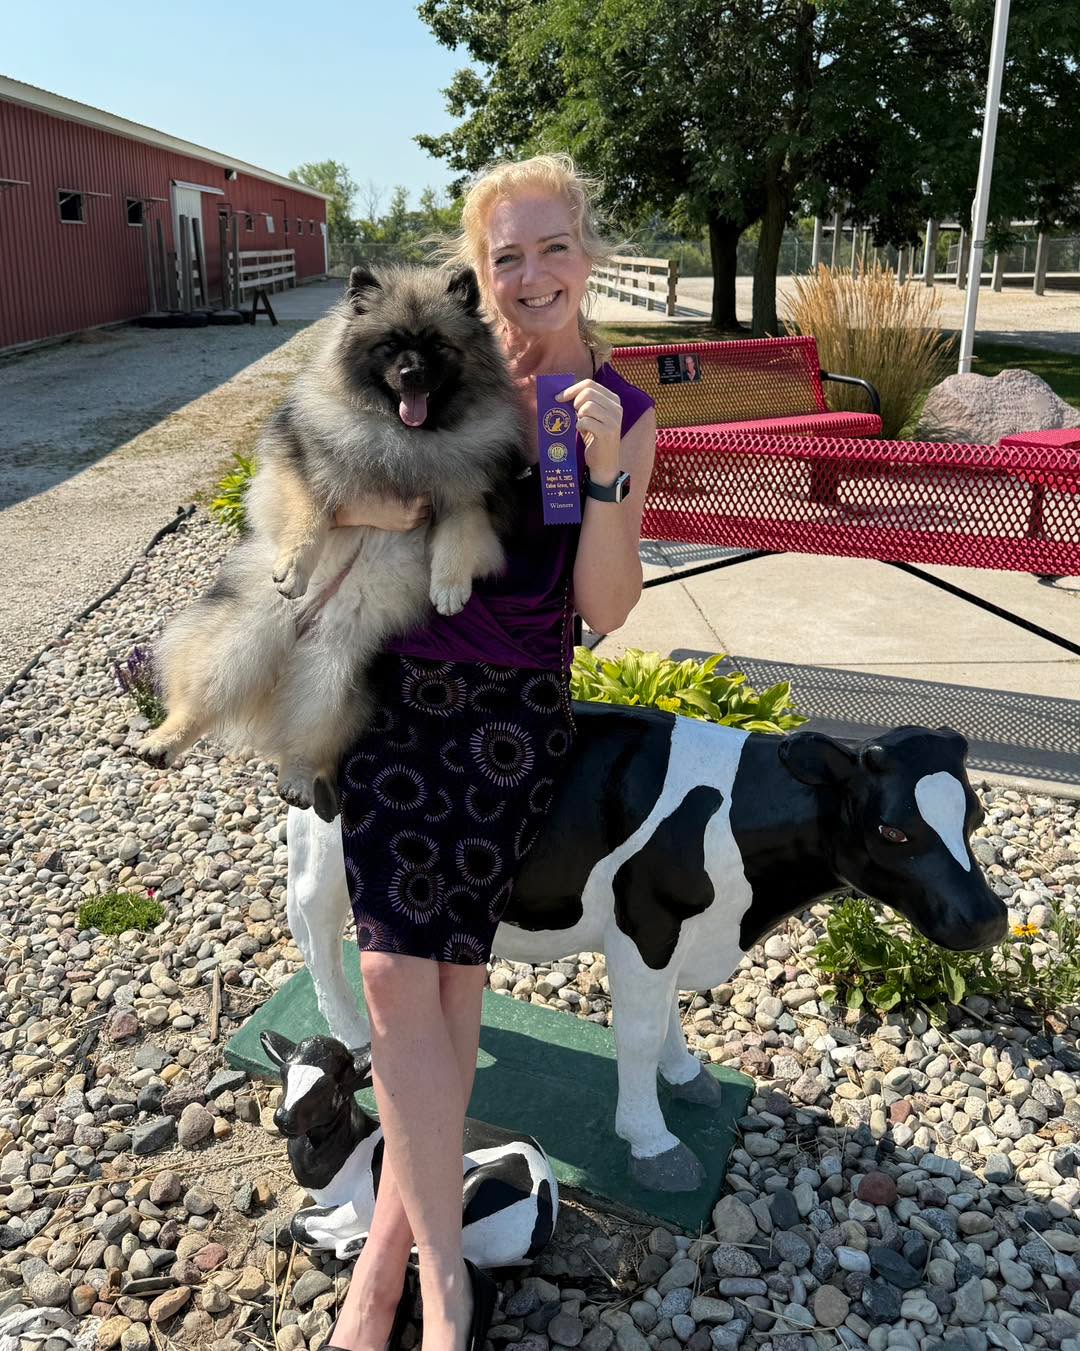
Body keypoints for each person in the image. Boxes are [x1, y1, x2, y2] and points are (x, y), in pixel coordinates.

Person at [324, 154, 656, 1351]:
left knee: (453, 980)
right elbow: (316, 498)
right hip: (400, 690)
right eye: (503, 256)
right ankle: (424, 1280)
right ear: (479, 269)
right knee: (394, 977)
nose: (529, 276)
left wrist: (607, 466)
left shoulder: (619, 404)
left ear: (587, 251)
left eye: (550, 247)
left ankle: (394, 1257)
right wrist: (409, 504)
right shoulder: (438, 377)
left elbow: (608, 610)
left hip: (514, 711)